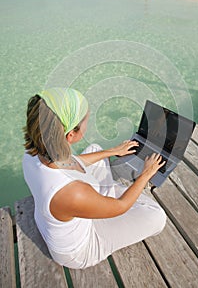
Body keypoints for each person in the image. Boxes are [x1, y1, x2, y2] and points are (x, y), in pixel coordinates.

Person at [23, 87, 167, 269]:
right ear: (71, 135)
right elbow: (120, 207)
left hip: (61, 217)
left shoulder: (34, 152)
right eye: (85, 121)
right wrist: (146, 174)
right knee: (157, 217)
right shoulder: (71, 192)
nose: (87, 124)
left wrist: (113, 151)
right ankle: (105, 200)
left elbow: (72, 163)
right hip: (79, 250)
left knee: (95, 149)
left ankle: (102, 199)